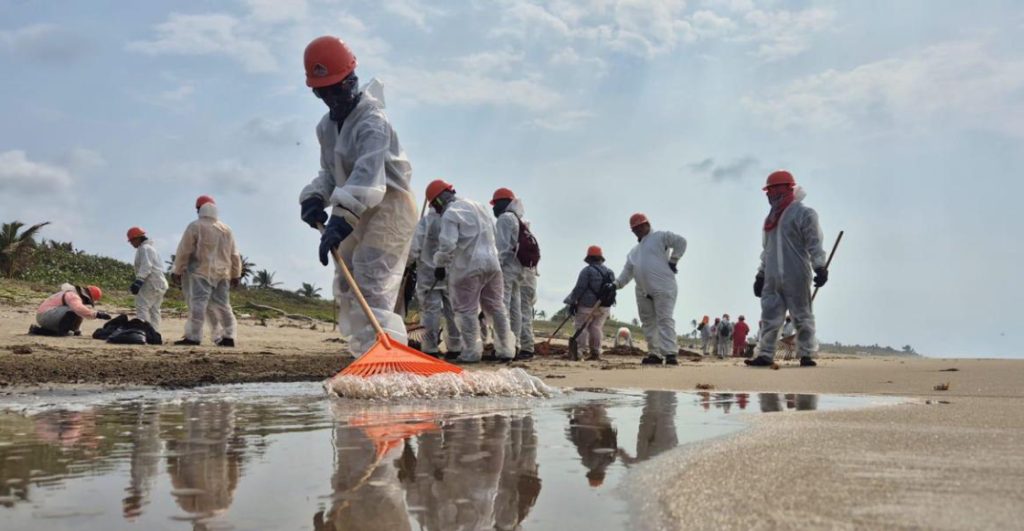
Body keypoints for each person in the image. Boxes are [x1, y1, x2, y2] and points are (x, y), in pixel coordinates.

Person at [298, 35, 418, 358]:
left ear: (352, 79)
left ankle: (386, 359)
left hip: (390, 207)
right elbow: (330, 173)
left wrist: (340, 219)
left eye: (337, 88)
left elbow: (368, 176)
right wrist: (314, 197)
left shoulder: (372, 122)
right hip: (355, 208)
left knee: (371, 280)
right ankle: (367, 355)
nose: (332, 97)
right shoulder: (326, 128)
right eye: (324, 92)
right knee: (347, 284)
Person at [747, 170, 828, 368]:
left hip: (796, 274)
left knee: (802, 315)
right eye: (767, 192)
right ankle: (765, 354)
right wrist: (761, 274)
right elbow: (768, 250)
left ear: (783, 189)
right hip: (772, 277)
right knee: (769, 317)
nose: (769, 195)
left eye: (771, 191)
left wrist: (820, 266)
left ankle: (806, 354)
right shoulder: (771, 220)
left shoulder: (804, 213)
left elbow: (814, 243)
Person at [427, 179, 514, 363]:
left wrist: (440, 265)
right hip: (493, 265)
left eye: (434, 205)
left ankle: (471, 353)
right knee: (497, 308)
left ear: (439, 200)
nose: (436, 209)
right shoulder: (479, 207)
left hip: (468, 268)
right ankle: (506, 350)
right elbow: (494, 235)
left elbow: (448, 243)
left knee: (466, 310)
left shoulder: (451, 213)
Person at [613, 213, 687, 365]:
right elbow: (627, 272)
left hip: (663, 286)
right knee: (648, 322)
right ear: (633, 231)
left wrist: (673, 260)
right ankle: (655, 353)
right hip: (642, 291)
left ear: (647, 224)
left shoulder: (660, 237)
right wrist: (615, 285)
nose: (638, 230)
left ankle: (670, 354)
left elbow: (681, 242)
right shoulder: (633, 252)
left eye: (641, 226)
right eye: (635, 228)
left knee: (664, 320)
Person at [171, 195, 241, 347]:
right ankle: (229, 336)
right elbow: (235, 254)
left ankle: (193, 337)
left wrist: (177, 270)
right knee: (223, 305)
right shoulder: (226, 229)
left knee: (198, 304)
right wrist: (236, 274)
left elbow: (184, 250)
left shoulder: (195, 226)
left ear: (199, 209)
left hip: (200, 272)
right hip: (223, 274)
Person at [408, 209, 462, 359]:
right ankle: (456, 347)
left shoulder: (425, 222)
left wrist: (408, 264)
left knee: (430, 312)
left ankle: (430, 348)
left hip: (428, 275)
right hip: (450, 273)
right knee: (452, 311)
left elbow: (414, 249)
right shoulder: (452, 221)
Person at [491, 188, 533, 360]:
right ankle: (515, 345)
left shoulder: (505, 219)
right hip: (519, 270)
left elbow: (502, 248)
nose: (493, 208)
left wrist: (495, 268)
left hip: (507, 269)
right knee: (515, 309)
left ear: (502, 203)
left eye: (495, 204)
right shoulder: (517, 219)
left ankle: (504, 348)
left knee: (502, 307)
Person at [563, 245, 615, 361]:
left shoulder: (587, 271)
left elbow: (579, 288)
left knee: (581, 327)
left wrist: (572, 302)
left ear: (589, 259)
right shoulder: (610, 272)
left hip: (586, 305)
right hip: (604, 306)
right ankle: (595, 352)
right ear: (600, 258)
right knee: (596, 328)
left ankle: (579, 352)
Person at [126, 227, 168, 332]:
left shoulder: (144, 248)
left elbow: (146, 266)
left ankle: (143, 332)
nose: (131, 244)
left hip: (151, 283)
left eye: (131, 241)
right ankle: (154, 333)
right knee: (155, 310)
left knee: (142, 306)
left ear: (137, 238)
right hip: (160, 283)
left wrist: (139, 281)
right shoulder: (150, 248)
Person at [31, 284, 111, 335]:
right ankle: (61, 332)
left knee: (77, 311)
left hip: (47, 315)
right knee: (74, 310)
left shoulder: (72, 294)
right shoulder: (72, 295)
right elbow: (78, 309)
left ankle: (40, 331)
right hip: (45, 315)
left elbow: (80, 312)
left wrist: (77, 330)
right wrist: (97, 314)